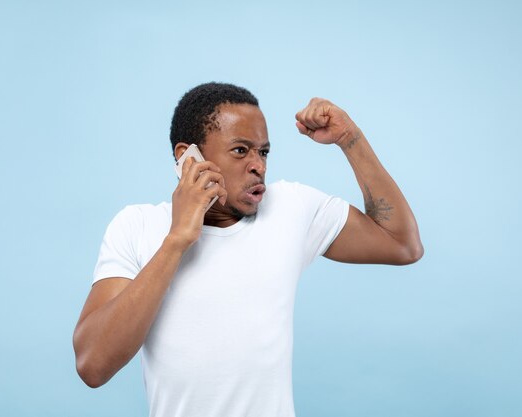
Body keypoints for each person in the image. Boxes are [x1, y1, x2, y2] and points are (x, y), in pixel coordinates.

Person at [73, 82, 423, 417]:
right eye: (241, 150)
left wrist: (350, 138)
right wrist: (177, 240)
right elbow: (93, 365)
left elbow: (402, 243)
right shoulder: (137, 226)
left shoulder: (291, 208)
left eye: (264, 151)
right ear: (187, 158)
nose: (259, 165)